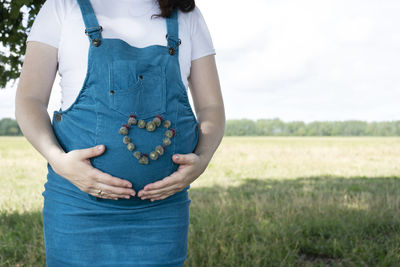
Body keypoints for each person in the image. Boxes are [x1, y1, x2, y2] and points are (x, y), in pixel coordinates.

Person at [15, 0, 225, 265]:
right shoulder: (61, 6)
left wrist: (202, 159)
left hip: (161, 213)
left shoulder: (186, 15)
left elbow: (211, 107)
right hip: (78, 209)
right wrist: (58, 160)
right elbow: (29, 99)